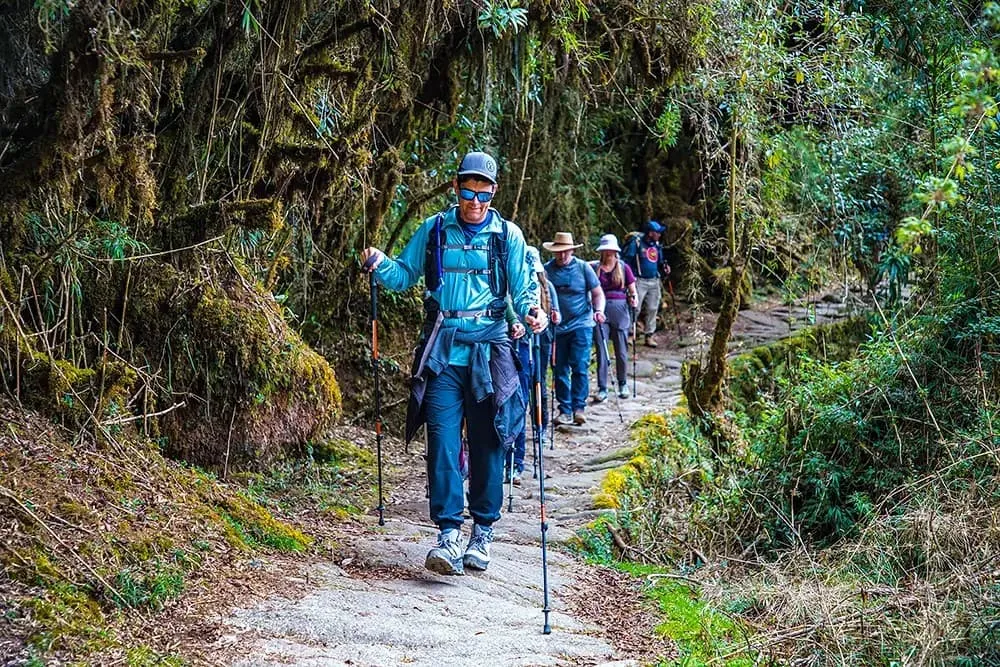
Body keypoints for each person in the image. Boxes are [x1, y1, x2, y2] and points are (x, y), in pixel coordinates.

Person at [361, 151, 547, 576]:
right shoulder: (435, 229)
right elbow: (404, 275)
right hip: (443, 351)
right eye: (467, 191)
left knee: (488, 443)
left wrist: (532, 312)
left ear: (493, 192)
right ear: (456, 188)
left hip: (491, 348)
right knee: (442, 444)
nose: (475, 201)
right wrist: (378, 264)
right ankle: (448, 533)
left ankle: (482, 531)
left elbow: (522, 291)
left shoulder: (508, 236)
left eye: (483, 193)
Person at [508, 246, 560, 484]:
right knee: (513, 402)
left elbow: (551, 313)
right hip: (506, 346)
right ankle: (509, 461)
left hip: (532, 345)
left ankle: (517, 460)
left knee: (524, 399)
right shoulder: (507, 284)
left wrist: (547, 320)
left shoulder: (545, 288)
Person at [542, 232, 604, 426]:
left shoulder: (583, 268)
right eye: (558, 252)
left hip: (582, 323)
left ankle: (579, 408)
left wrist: (599, 310)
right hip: (557, 328)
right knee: (559, 369)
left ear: (571, 250)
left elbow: (597, 294)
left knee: (580, 365)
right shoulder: (546, 270)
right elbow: (541, 294)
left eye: (565, 252)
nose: (562, 256)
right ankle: (564, 409)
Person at [589, 234, 637, 402]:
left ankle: (623, 383)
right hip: (600, 311)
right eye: (605, 250)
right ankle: (602, 387)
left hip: (620, 309)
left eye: (611, 250)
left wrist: (634, 298)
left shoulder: (623, 267)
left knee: (621, 351)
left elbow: (633, 290)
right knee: (602, 350)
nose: (608, 253)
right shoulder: (594, 267)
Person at [621, 220, 671, 347]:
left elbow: (659, 261)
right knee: (635, 307)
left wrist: (665, 267)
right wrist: (629, 280)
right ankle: (631, 334)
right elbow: (627, 261)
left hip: (654, 280)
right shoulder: (637, 243)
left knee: (653, 308)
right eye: (657, 232)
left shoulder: (656, 245)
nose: (659, 234)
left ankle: (649, 335)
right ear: (650, 233)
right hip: (639, 280)